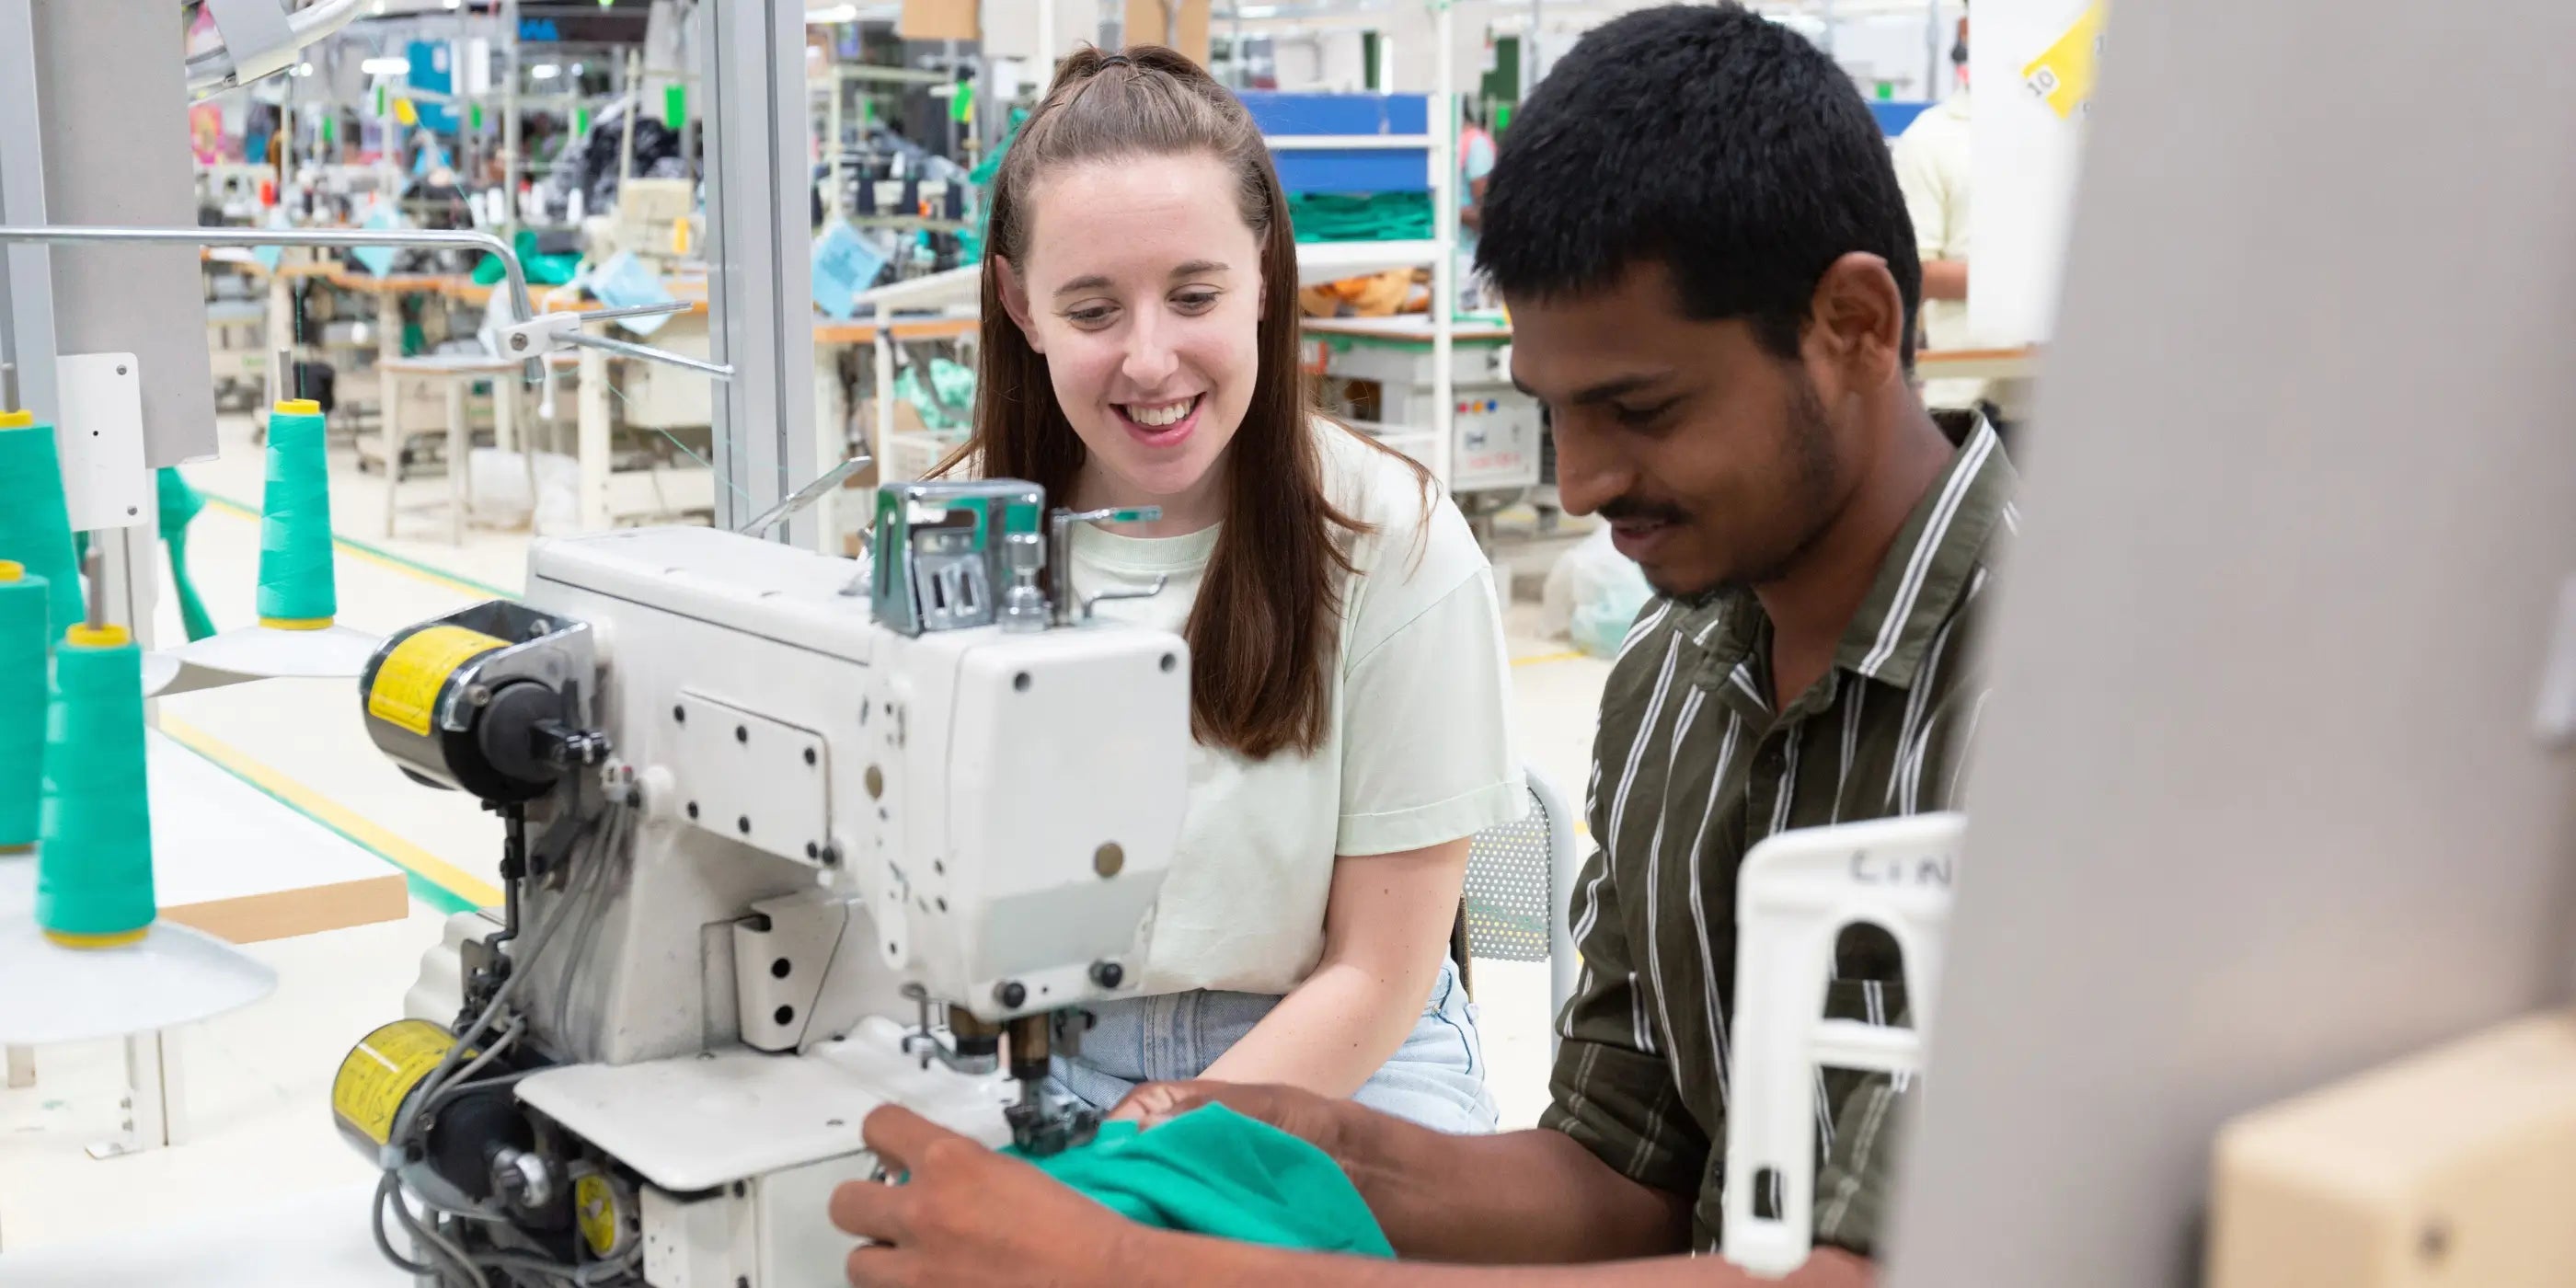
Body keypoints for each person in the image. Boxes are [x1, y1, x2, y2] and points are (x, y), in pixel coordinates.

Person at [829, 7, 2018, 1285]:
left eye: (1638, 407)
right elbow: (1621, 1178)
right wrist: (1231, 1147)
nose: (1578, 486)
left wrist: (1124, 1264)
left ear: (1854, 324)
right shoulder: (1675, 688)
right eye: (1553, 415)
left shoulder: (2058, 711)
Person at [931, 47, 1525, 1138]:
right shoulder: (952, 540)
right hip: (1035, 1051)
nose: (1150, 360)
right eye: (1093, 309)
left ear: (1264, 274)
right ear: (1020, 305)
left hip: (1349, 1052)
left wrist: (1145, 1150)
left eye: (1194, 295)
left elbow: (1378, 971)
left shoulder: (1394, 545)